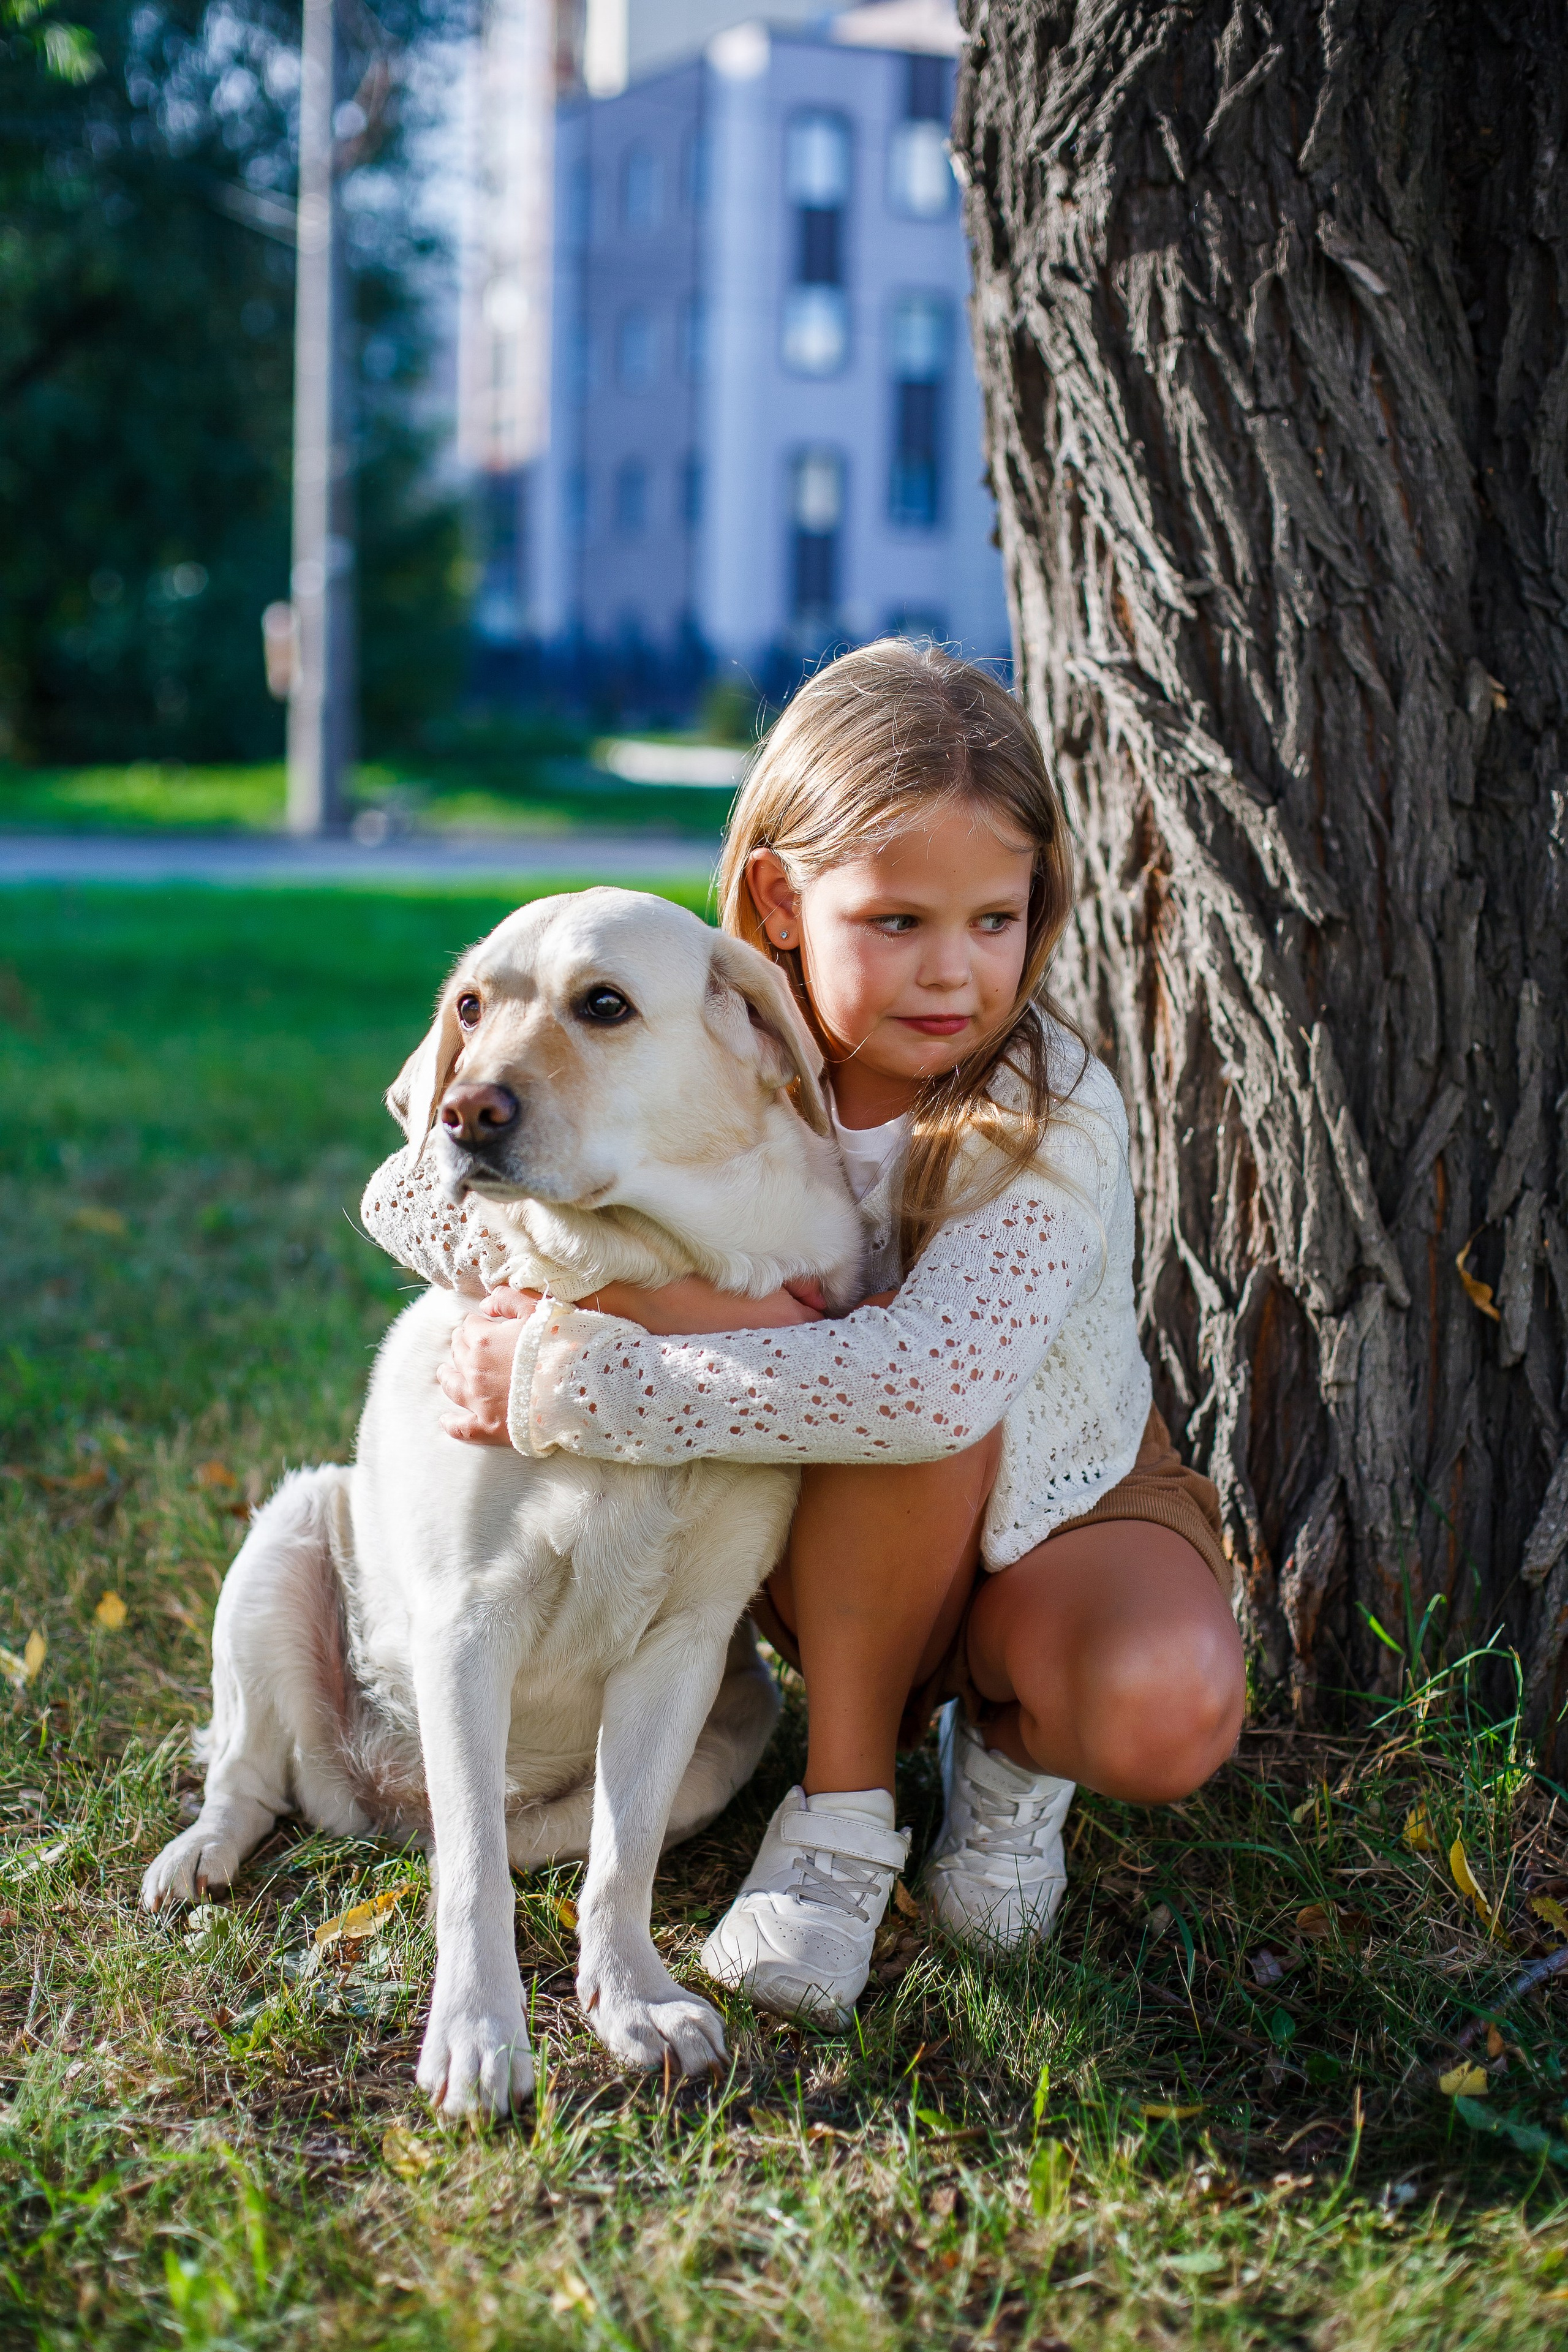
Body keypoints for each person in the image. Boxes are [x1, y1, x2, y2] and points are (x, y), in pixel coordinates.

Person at [363, 640, 1245, 2029]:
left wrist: (589, 1360)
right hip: (836, 1528)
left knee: (1162, 1698)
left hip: (1052, 1510)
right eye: (895, 921)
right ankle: (840, 1815)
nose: (951, 972)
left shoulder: (1051, 1108)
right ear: (780, 902)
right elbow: (410, 1186)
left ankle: (1005, 1764)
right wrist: (575, 1280)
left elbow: (927, 1384)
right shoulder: (714, 1038)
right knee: (865, 1406)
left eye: (994, 920)